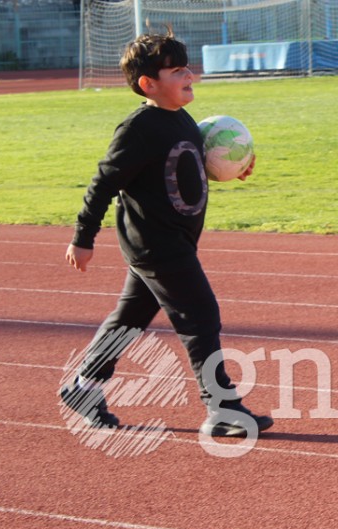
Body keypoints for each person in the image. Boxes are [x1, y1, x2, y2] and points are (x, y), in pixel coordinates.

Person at [59, 31, 273, 438]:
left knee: (129, 321)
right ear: (148, 84)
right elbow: (103, 182)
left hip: (169, 242)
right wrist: (83, 236)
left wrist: (232, 169)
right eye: (178, 71)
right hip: (157, 245)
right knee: (201, 315)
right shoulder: (138, 128)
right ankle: (222, 407)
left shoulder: (183, 120)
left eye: (188, 67)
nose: (190, 75)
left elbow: (187, 167)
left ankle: (84, 387)